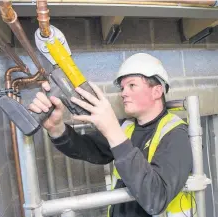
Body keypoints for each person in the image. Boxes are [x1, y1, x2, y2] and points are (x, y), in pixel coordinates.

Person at [29, 53, 193, 217]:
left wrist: (112, 130)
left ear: (157, 91)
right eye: (122, 88)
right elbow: (89, 149)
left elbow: (156, 198)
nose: (123, 93)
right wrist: (56, 129)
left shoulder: (177, 134)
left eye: (131, 85)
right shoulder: (127, 127)